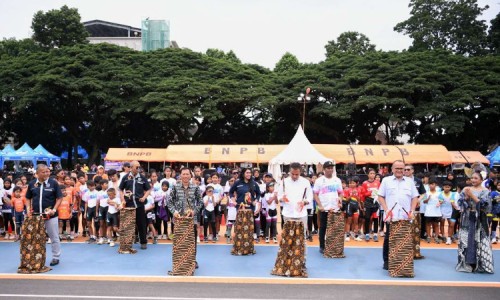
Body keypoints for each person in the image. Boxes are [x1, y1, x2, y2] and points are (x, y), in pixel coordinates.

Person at [378, 160, 419, 276]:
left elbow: (415, 197)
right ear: (392, 169)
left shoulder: (410, 182)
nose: (399, 170)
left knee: (405, 240)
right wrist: (386, 210)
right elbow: (380, 196)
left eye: (402, 168)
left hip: (405, 217)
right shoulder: (386, 181)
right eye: (397, 168)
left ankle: (403, 261)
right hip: (392, 216)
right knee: (388, 239)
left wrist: (411, 210)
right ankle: (387, 261)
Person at [20, 164, 63, 271]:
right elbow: (28, 198)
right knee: (36, 238)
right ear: (37, 173)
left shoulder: (53, 183)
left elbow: (59, 198)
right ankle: (36, 257)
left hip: (50, 216)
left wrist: (54, 209)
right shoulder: (32, 184)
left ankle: (55, 257)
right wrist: (28, 209)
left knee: (54, 237)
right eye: (43, 172)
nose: (46, 173)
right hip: (35, 216)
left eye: (47, 171)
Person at [272, 162, 312, 278]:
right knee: (286, 238)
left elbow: (309, 197)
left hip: (301, 214)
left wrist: (304, 202)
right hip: (288, 213)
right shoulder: (284, 182)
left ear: (300, 172)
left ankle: (302, 262)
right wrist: (282, 198)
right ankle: (286, 261)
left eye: (297, 174)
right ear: (290, 172)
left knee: (302, 239)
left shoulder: (305, 182)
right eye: (293, 174)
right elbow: (278, 196)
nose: (294, 176)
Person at [167, 167, 203, 274]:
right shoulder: (175, 187)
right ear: (180, 175)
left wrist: (194, 211)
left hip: (191, 220)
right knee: (178, 241)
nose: (186, 176)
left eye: (187, 174)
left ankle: (192, 260)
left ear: (190, 175)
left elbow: (200, 202)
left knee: (191, 241)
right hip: (178, 220)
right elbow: (169, 202)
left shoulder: (196, 188)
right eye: (184, 174)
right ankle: (179, 261)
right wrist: (174, 212)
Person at [456, 171, 494, 274]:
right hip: (467, 218)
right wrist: (465, 199)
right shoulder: (466, 189)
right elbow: (460, 203)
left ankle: (479, 264)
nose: (473, 180)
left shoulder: (485, 191)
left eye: (476, 178)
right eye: (472, 178)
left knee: (479, 240)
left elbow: (486, 206)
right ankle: (467, 263)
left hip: (480, 220)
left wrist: (471, 195)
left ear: (481, 180)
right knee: (467, 240)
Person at [119, 161, 151, 251]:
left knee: (141, 224)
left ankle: (143, 242)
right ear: (131, 167)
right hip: (129, 205)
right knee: (128, 225)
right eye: (136, 167)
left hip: (139, 204)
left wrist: (144, 197)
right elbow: (120, 189)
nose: (138, 169)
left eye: (139, 167)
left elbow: (148, 189)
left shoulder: (142, 178)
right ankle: (127, 243)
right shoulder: (125, 178)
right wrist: (122, 199)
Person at [313, 160, 343, 254]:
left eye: (331, 168)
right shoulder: (319, 181)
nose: (330, 170)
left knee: (334, 228)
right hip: (324, 209)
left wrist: (340, 200)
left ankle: (333, 245)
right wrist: (320, 205)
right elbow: (315, 194)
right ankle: (322, 246)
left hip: (335, 208)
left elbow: (341, 193)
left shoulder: (337, 180)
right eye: (328, 168)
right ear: (324, 169)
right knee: (323, 228)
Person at [403, 165, 427, 259]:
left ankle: (416, 253)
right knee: (405, 231)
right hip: (404, 210)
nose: (406, 171)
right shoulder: (401, 180)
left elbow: (424, 194)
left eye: (408, 169)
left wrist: (418, 200)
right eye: (404, 169)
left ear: (412, 170)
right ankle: (405, 253)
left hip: (415, 211)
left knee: (416, 231)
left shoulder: (417, 181)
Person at [361, 168, 381, 242]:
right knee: (367, 218)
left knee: (376, 218)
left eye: (373, 173)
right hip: (368, 202)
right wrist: (371, 193)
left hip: (376, 202)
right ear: (368, 174)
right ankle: (367, 234)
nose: (372, 175)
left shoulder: (378, 183)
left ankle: (375, 234)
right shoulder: (365, 183)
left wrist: (377, 194)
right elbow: (363, 194)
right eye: (371, 173)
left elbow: (381, 192)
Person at [438, 180, 459, 245]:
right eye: (445, 187)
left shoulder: (452, 194)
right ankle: (443, 236)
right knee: (442, 223)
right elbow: (440, 202)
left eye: (448, 187)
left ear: (450, 188)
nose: (447, 188)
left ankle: (450, 236)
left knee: (451, 225)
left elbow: (452, 202)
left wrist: (457, 208)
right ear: (443, 187)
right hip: (442, 210)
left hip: (450, 211)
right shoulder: (440, 193)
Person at [422, 177, 442, 244]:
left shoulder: (439, 193)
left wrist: (440, 203)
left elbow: (441, 200)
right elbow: (424, 201)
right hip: (428, 212)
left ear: (435, 185)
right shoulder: (426, 193)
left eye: (432, 184)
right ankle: (428, 236)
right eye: (430, 184)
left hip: (437, 212)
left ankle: (436, 237)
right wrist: (428, 199)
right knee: (428, 224)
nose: (431, 185)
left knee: (436, 224)